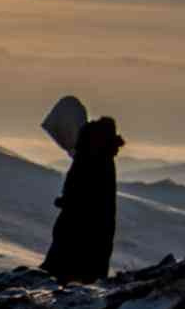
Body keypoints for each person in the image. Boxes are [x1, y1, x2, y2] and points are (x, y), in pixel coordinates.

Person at [41, 111, 124, 283]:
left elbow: (85, 189)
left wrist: (68, 201)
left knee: (70, 266)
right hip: (96, 223)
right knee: (89, 266)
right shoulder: (100, 150)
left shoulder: (90, 153)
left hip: (81, 223)